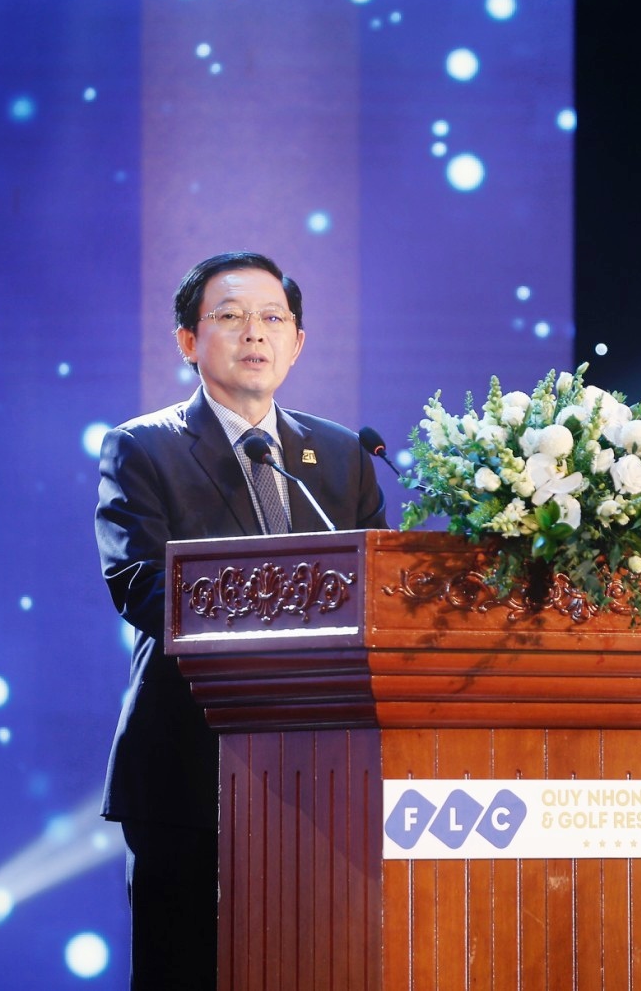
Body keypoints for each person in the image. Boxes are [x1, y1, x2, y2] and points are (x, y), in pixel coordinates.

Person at [94, 252, 388, 989]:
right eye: (229, 316)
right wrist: (278, 623)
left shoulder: (344, 455)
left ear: (297, 341)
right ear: (188, 341)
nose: (254, 332)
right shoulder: (143, 447)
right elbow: (139, 586)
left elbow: (381, 592)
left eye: (272, 318)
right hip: (189, 764)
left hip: (327, 772)